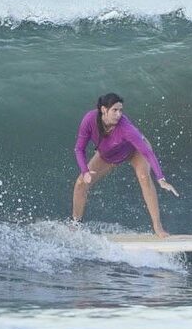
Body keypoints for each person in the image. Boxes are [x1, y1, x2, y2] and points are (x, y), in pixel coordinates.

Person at [73, 93, 179, 238]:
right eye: (115, 110)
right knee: (80, 183)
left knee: (144, 177)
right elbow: (79, 149)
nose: (119, 114)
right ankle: (76, 225)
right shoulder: (89, 120)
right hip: (109, 155)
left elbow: (147, 152)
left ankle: (158, 227)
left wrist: (161, 178)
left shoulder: (125, 127)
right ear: (104, 109)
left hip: (135, 151)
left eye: (121, 110)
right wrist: (85, 171)